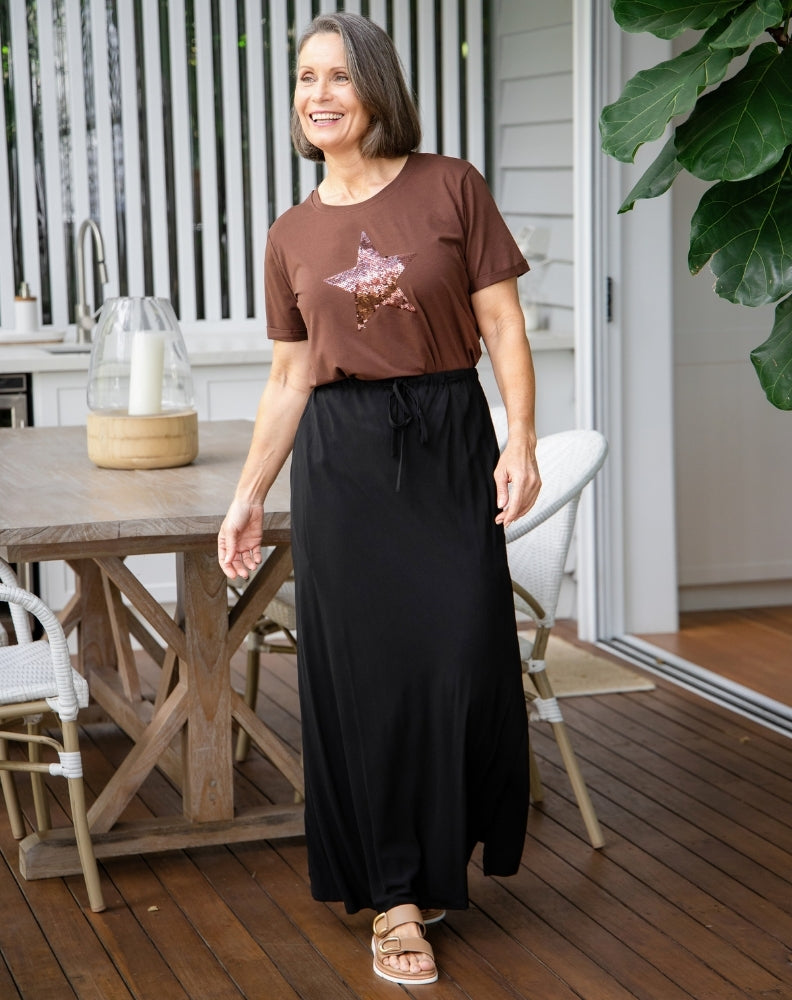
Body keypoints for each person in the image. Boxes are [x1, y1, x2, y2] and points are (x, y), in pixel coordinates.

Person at [218, 11, 541, 987]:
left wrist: (520, 433)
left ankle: (440, 850)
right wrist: (247, 496)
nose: (316, 96)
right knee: (365, 685)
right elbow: (288, 379)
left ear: (377, 90)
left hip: (447, 438)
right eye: (303, 79)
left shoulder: (452, 185)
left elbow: (502, 323)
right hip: (343, 463)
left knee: (465, 657)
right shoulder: (291, 234)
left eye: (337, 78)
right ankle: (397, 895)